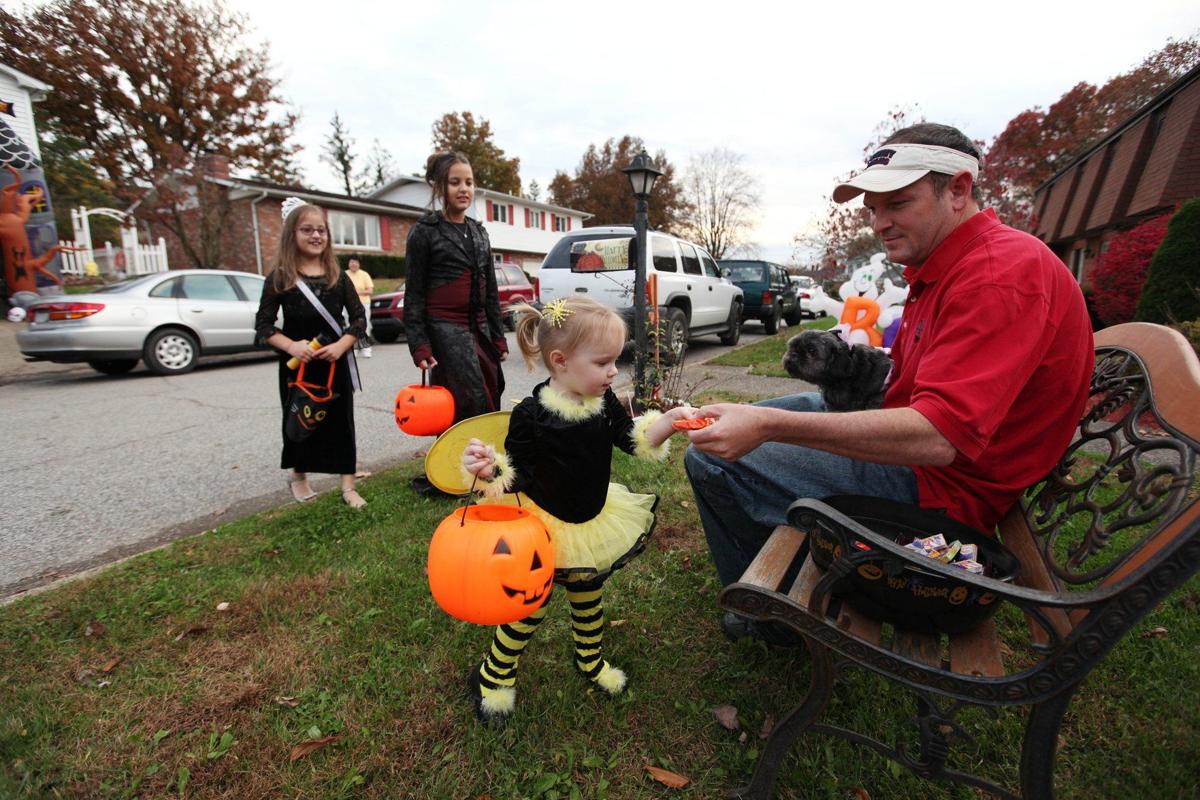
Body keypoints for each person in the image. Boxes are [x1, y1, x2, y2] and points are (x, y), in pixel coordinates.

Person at [683, 123, 1094, 643]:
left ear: (959, 190)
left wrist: (767, 426)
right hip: (928, 467)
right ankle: (786, 572)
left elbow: (937, 436)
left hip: (939, 494)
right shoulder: (948, 265)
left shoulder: (998, 275)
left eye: (897, 203)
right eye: (873, 208)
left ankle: (772, 619)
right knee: (782, 411)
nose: (880, 222)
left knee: (714, 458)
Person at [460, 296, 698, 724]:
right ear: (561, 360)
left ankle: (589, 660)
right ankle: (493, 676)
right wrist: (489, 468)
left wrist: (672, 419)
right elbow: (518, 475)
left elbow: (631, 440)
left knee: (589, 596)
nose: (613, 373)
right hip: (545, 528)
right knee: (529, 606)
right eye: (603, 363)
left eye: (616, 362)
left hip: (593, 519)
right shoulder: (531, 416)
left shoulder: (603, 402)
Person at [404, 150, 508, 496]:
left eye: (469, 182)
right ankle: (456, 474)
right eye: (455, 182)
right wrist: (420, 344)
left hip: (479, 329)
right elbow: (415, 294)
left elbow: (490, 289)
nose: (464, 189)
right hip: (445, 332)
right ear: (439, 186)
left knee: (492, 392)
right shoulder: (425, 232)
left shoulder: (479, 232)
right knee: (465, 402)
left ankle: (487, 467)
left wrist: (498, 336)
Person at [255, 198, 369, 509]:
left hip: (336, 363)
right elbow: (263, 326)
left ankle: (347, 485)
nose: (316, 236)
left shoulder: (337, 275)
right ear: (292, 234)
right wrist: (291, 345)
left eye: (321, 230)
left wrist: (342, 345)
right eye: (307, 230)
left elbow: (359, 319)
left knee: (342, 423)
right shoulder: (280, 277)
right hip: (298, 365)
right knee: (300, 422)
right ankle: (299, 476)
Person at [345, 257, 374, 358]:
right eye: (351, 262)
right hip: (347, 305)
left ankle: (366, 349)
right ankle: (354, 349)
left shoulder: (364, 274)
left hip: (363, 303)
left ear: (359, 264)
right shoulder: (344, 274)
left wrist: (356, 293)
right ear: (348, 264)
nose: (353, 264)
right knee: (350, 326)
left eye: (355, 262)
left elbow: (370, 291)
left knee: (364, 326)